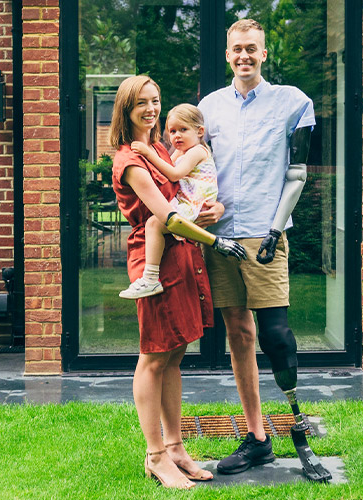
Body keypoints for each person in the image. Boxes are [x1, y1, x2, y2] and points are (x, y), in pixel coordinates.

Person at [197, 18, 319, 475]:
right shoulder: (208, 108)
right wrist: (200, 213)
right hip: (221, 236)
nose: (244, 56)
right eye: (236, 50)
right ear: (227, 55)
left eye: (252, 49)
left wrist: (276, 227)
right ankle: (258, 438)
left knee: (275, 337)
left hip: (265, 234)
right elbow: (199, 171)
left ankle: (298, 425)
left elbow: (298, 173)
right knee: (238, 333)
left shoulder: (293, 103)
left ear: (264, 53)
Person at [107, 75, 222, 490]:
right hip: (154, 261)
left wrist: (212, 209)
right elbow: (168, 217)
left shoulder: (160, 148)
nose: (151, 110)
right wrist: (215, 239)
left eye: (155, 101)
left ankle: (175, 448)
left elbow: (188, 195)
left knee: (175, 354)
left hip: (181, 256)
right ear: (126, 109)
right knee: (154, 355)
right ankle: (155, 455)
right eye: (142, 103)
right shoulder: (131, 160)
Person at [119, 103, 246, 300]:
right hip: (188, 199)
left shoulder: (197, 151)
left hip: (195, 202)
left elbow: (174, 174)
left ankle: (151, 279)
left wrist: (147, 153)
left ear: (200, 131)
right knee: (156, 222)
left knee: (154, 223)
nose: (176, 136)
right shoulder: (181, 151)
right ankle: (151, 278)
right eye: (172, 131)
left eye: (183, 130)